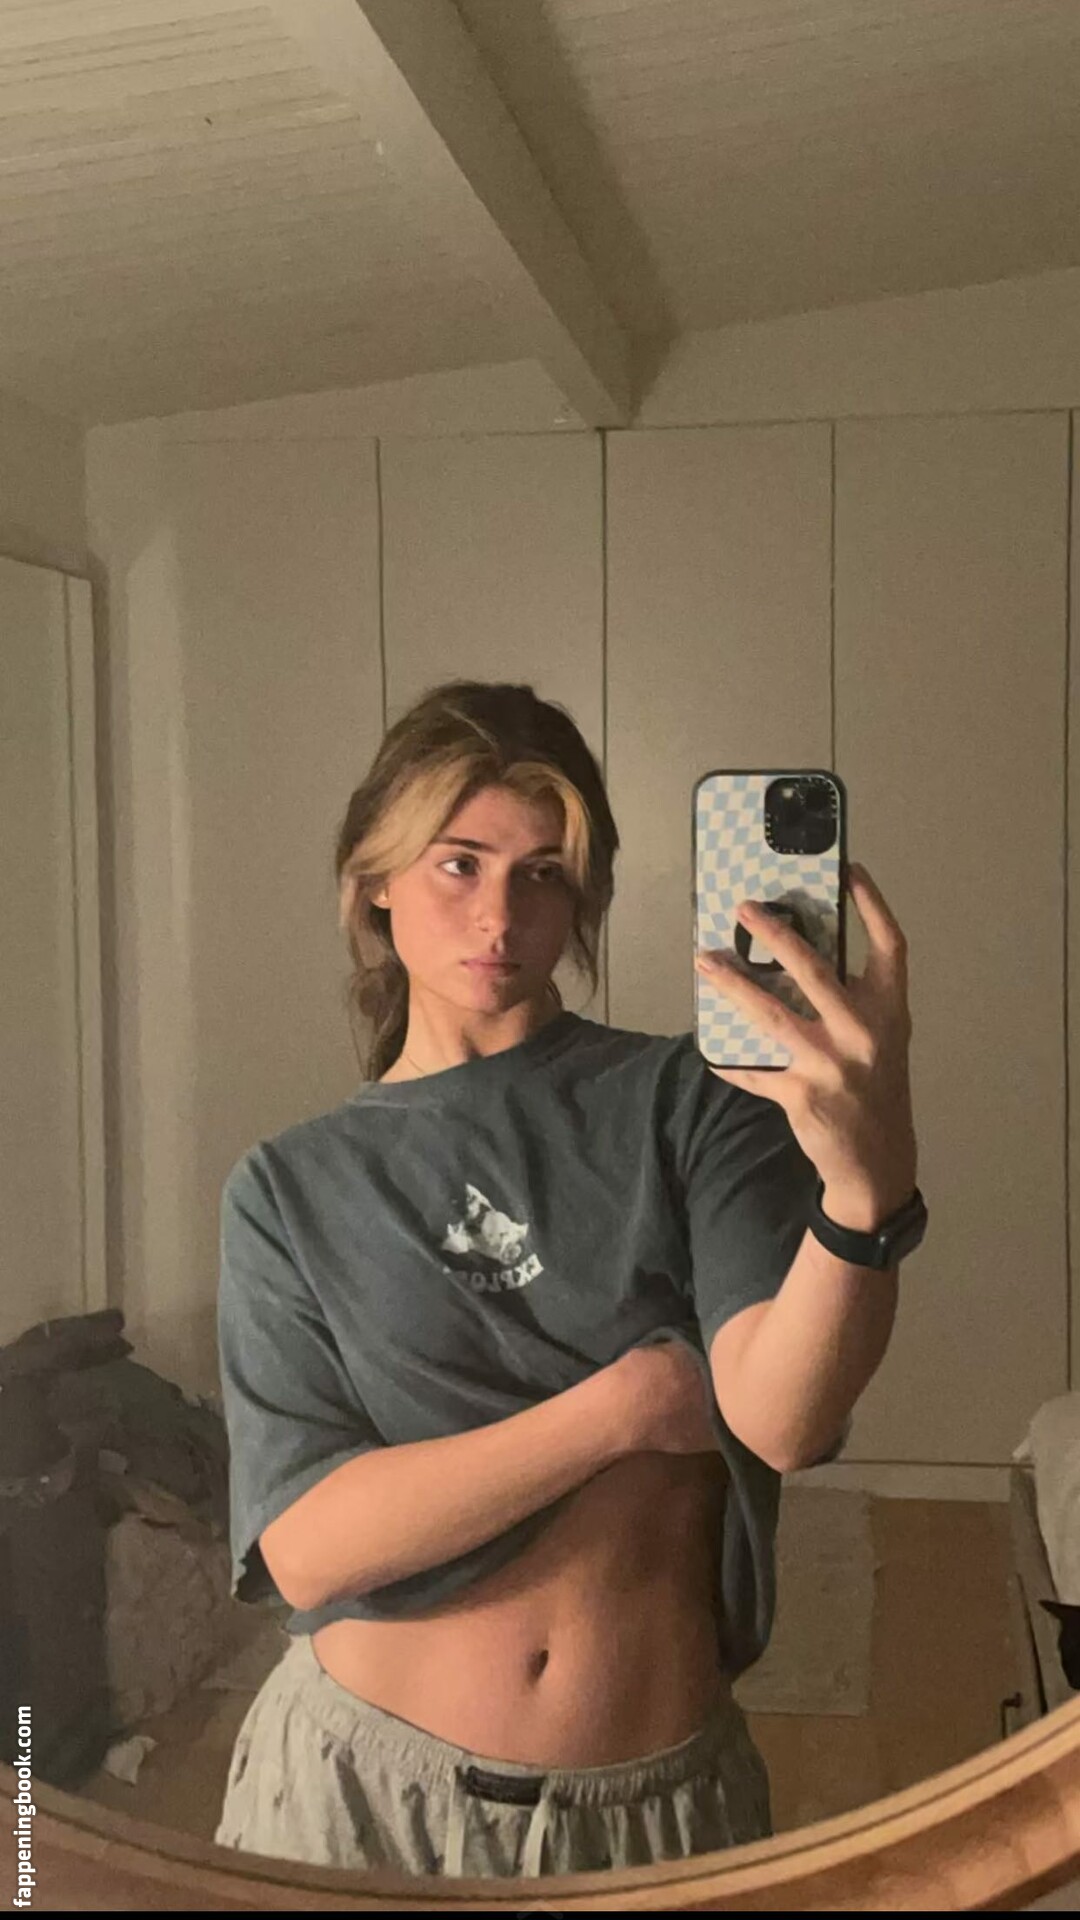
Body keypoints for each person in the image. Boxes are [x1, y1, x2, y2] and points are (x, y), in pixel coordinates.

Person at [211, 679, 836, 1881]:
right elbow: (305, 1546)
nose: (499, 915)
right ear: (375, 877)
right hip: (354, 1799)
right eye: (459, 864)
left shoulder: (690, 1099)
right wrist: (624, 1408)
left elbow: (788, 1420)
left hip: (650, 1815)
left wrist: (866, 1190)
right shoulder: (288, 1186)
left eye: (542, 874)